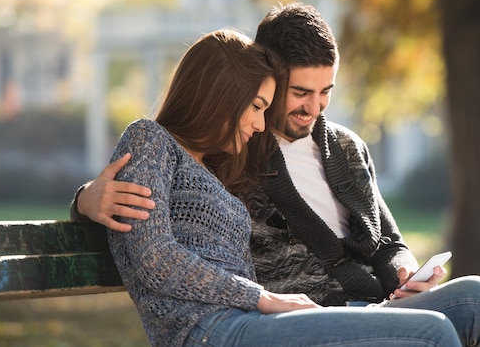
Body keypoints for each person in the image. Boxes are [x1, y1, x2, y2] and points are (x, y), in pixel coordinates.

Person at [72, 6, 480, 347]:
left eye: (326, 94)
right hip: (284, 316)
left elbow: (389, 240)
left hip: (356, 304)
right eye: (298, 95)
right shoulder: (231, 153)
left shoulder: (342, 148)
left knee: (479, 297)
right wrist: (84, 199)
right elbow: (154, 238)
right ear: (258, 85)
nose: (313, 109)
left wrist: (404, 274)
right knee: (438, 331)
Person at [101, 27, 461, 347]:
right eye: (257, 107)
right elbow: (154, 256)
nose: (260, 124)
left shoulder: (214, 164)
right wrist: (262, 298)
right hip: (206, 330)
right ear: (222, 95)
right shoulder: (150, 139)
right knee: (433, 333)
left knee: (467, 305)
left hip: (249, 320)